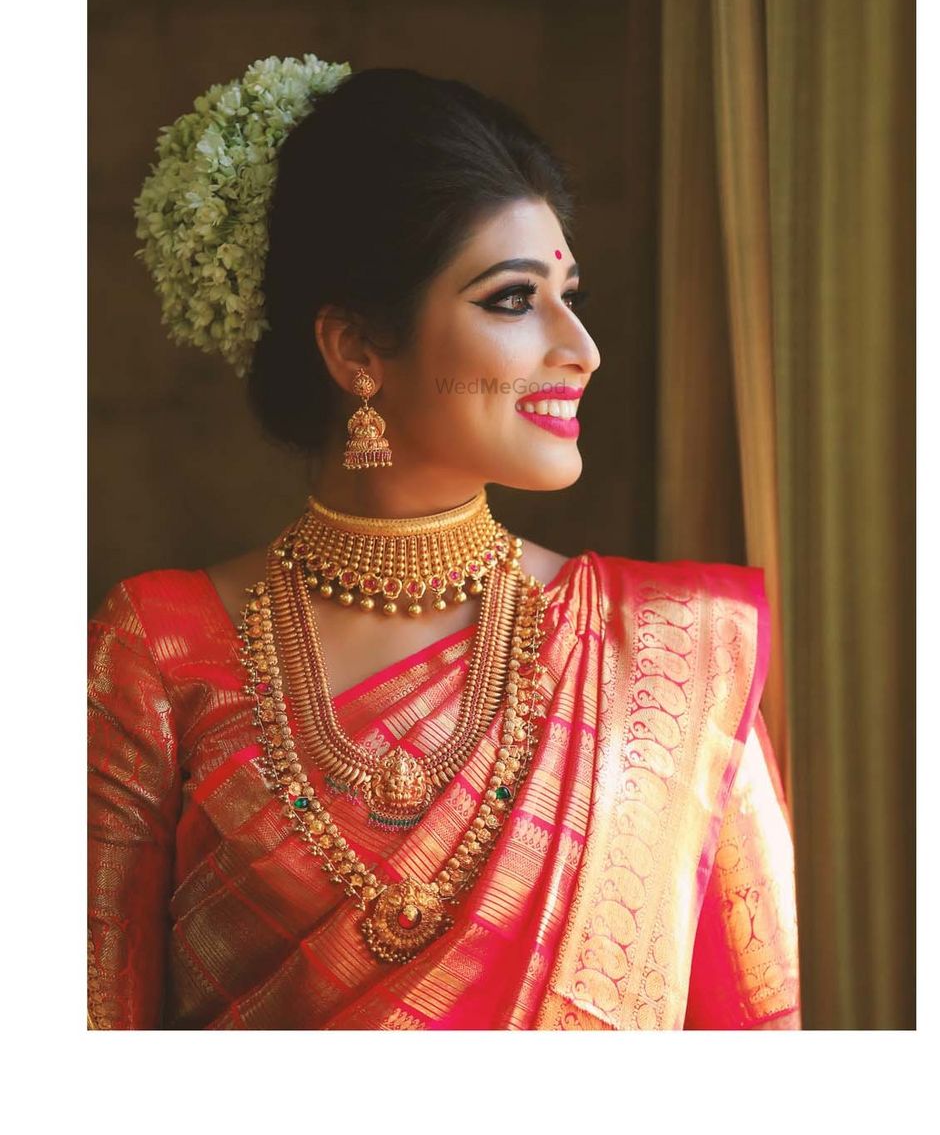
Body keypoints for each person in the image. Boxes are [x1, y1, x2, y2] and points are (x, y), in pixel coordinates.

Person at [88, 58, 801, 1031]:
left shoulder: (670, 653)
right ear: (355, 350)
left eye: (569, 291)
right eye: (512, 298)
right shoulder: (157, 651)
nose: (581, 345)